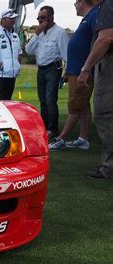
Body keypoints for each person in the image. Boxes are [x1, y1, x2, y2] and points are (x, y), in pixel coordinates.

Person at [49, 0, 99, 151]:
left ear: (83, 2)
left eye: (76, 2)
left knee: (75, 104)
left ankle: (62, 138)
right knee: (82, 105)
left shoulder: (94, 15)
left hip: (82, 71)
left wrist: (86, 68)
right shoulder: (86, 18)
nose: (75, 5)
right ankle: (83, 139)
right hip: (75, 70)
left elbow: (97, 41)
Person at [78, 0, 113, 179]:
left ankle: (109, 168)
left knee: (106, 115)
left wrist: (86, 69)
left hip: (109, 67)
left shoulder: (108, 5)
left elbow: (106, 37)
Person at [25, 6, 69, 139]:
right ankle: (44, 126)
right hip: (41, 69)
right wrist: (36, 35)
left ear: (51, 17)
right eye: (38, 18)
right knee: (43, 100)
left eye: (43, 17)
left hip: (53, 69)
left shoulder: (60, 33)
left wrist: (67, 72)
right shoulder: (40, 34)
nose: (40, 20)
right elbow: (28, 50)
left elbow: (66, 54)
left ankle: (52, 129)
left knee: (50, 99)